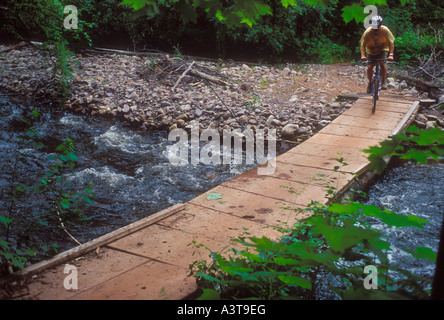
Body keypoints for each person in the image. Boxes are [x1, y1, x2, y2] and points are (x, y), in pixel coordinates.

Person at [360, 15, 395, 93]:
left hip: (382, 49)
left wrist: (391, 55)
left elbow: (391, 42)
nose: (376, 29)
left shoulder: (385, 30)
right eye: (374, 26)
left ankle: (383, 81)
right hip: (371, 50)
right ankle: (370, 83)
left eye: (377, 26)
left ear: (380, 25)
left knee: (382, 63)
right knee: (370, 67)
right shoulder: (367, 32)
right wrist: (363, 55)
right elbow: (362, 45)